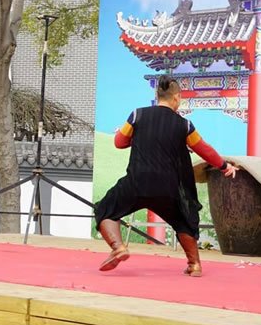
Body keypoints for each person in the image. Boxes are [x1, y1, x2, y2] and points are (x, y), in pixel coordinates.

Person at [94, 76, 239, 277]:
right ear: (177, 97)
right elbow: (204, 149)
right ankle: (195, 264)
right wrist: (224, 166)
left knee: (105, 209)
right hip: (169, 188)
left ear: (157, 95)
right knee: (182, 221)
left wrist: (134, 136)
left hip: (137, 182)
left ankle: (118, 247)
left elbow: (119, 142)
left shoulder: (137, 115)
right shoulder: (185, 125)